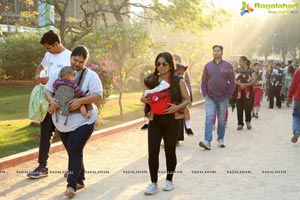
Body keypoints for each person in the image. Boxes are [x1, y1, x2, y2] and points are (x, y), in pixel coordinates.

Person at [45, 45, 103, 198]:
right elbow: (48, 90)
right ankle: (80, 180)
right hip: (63, 120)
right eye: (75, 60)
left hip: (84, 119)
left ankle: (71, 186)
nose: (77, 64)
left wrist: (80, 101)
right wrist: (52, 101)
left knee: (75, 149)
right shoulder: (61, 72)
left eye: (81, 62)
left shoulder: (90, 75)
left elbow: (98, 95)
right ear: (70, 58)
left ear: (85, 62)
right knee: (73, 150)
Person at [141, 52, 190, 195]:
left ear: (170, 65)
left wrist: (177, 107)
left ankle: (169, 180)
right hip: (155, 120)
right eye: (158, 64)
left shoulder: (177, 81)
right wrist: (143, 99)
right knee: (153, 152)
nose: (160, 66)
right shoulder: (152, 80)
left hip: (171, 121)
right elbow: (145, 95)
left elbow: (187, 100)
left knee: (170, 151)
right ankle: (153, 183)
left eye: (164, 64)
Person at [27, 30, 71, 179]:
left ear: (56, 43)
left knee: (67, 136)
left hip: (63, 100)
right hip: (48, 99)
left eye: (48, 47)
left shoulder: (69, 57)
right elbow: (41, 66)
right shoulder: (48, 55)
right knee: (45, 133)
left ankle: (73, 167)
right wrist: (38, 75)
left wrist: (51, 80)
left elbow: (71, 81)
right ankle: (42, 167)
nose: (47, 51)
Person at [199, 45, 235, 150]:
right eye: (214, 51)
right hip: (210, 96)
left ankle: (220, 139)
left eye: (218, 51)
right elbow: (204, 81)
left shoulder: (228, 66)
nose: (216, 52)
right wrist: (205, 94)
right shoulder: (208, 66)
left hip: (223, 97)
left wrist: (229, 95)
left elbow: (232, 81)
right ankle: (207, 141)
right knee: (209, 117)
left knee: (222, 120)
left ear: (222, 52)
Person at [235, 56, 256, 130]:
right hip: (239, 91)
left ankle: (248, 121)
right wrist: (240, 84)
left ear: (245, 61)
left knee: (248, 107)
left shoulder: (251, 71)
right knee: (239, 108)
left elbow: (254, 81)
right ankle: (240, 123)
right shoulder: (237, 70)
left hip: (248, 91)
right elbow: (233, 79)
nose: (239, 62)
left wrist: (246, 85)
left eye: (240, 61)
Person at [287, 67, 300, 143]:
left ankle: (297, 132)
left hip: (298, 97)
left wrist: (289, 96)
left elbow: (293, 84)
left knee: (296, 115)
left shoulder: (298, 70)